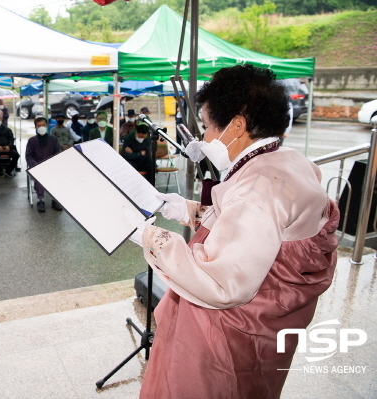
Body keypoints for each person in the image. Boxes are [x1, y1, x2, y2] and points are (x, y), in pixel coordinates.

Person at [131, 65, 339, 399]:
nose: (205, 137)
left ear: (237, 125)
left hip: (231, 333)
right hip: (272, 324)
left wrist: (147, 236)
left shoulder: (256, 190)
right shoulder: (288, 160)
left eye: (209, 125)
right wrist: (184, 209)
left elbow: (221, 281)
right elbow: (251, 230)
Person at [25, 117, 63, 213]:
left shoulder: (53, 140)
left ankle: (55, 200)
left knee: (57, 175)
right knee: (40, 174)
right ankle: (40, 200)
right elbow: (28, 156)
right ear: (35, 127)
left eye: (43, 125)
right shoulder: (32, 140)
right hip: (36, 166)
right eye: (39, 125)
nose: (41, 127)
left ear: (46, 126)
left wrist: (51, 164)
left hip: (50, 165)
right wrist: (34, 165)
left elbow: (57, 153)